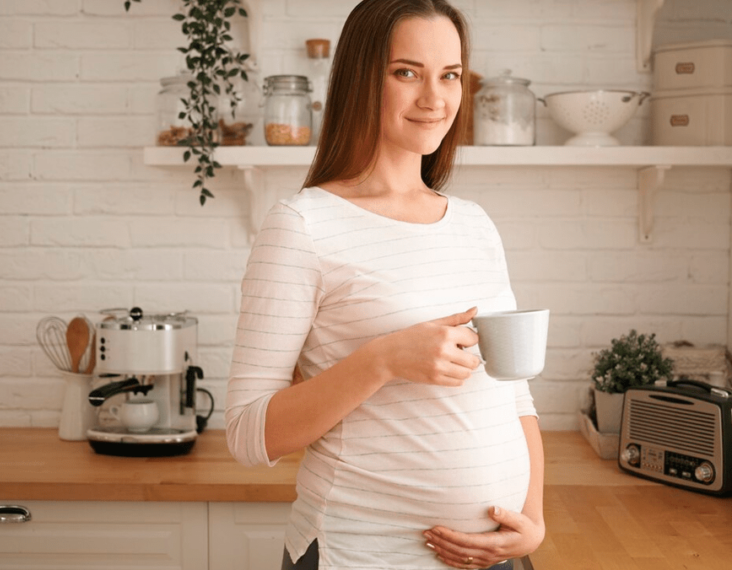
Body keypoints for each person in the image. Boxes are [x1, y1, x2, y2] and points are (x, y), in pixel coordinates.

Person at [225, 1, 545, 568]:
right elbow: (250, 434)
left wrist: (534, 521)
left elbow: (513, 392)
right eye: (406, 73)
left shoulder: (473, 222)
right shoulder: (303, 225)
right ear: (359, 80)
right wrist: (383, 359)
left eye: (449, 75)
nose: (434, 98)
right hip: (362, 554)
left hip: (497, 557)